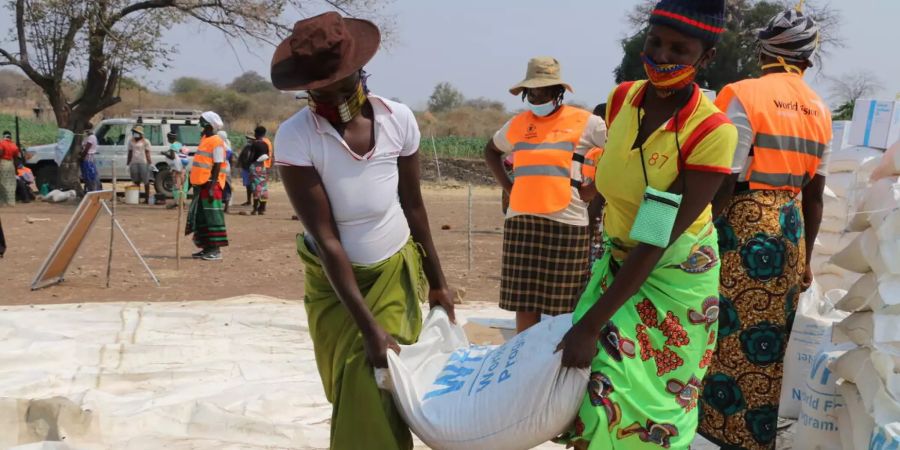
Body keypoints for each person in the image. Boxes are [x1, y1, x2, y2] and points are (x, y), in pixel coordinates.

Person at [553, 1, 737, 449]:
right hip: (619, 266)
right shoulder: (621, 99)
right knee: (588, 402)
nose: (661, 56)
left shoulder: (711, 130)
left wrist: (591, 324)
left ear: (705, 58)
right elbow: (614, 184)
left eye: (679, 48)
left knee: (638, 407)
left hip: (672, 281)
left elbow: (656, 233)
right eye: (654, 42)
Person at [271, 12, 456, 450]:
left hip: (393, 271)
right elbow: (327, 236)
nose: (331, 95)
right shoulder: (296, 137)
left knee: (382, 385)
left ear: (358, 71)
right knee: (357, 383)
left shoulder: (398, 120)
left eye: (339, 81)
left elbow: (413, 205)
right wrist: (368, 327)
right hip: (337, 285)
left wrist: (439, 282)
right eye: (318, 88)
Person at [699, 8, 832, 449]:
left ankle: (715, 432)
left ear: (763, 51)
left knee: (723, 331)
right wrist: (806, 261)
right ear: (807, 60)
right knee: (767, 344)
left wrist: (701, 232)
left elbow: (723, 172)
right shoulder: (820, 110)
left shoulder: (742, 93)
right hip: (789, 227)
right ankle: (756, 438)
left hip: (744, 223)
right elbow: (815, 196)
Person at [484, 56, 606, 333]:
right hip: (521, 222)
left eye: (545, 90)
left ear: (558, 92)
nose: (538, 96)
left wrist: (595, 188)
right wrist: (509, 187)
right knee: (525, 302)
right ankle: (524, 360)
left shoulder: (586, 122)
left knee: (566, 304)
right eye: (533, 91)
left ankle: (559, 367)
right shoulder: (517, 123)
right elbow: (490, 150)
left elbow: (619, 153)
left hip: (568, 222)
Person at [185, 111, 229, 261]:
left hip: (211, 184)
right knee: (201, 218)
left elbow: (217, 164)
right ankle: (206, 248)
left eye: (201, 121)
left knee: (212, 218)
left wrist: (212, 187)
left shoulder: (217, 142)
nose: (199, 124)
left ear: (208, 125)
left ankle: (215, 250)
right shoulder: (205, 139)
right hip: (201, 184)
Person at [246, 128, 271, 215]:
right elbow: (267, 155)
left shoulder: (254, 144)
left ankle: (255, 209)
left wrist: (248, 164)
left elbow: (251, 157)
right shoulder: (265, 144)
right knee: (263, 187)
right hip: (262, 167)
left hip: (254, 167)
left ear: (256, 134)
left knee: (255, 187)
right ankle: (262, 208)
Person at [127, 126, 153, 203]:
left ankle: (147, 198)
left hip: (143, 163)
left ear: (140, 133)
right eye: (134, 132)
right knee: (136, 181)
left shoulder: (146, 141)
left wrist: (150, 163)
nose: (135, 134)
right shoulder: (131, 141)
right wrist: (128, 164)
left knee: (146, 181)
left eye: (136, 132)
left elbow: (147, 153)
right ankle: (136, 198)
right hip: (134, 162)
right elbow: (130, 153)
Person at [163, 132, 186, 210]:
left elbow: (172, 157)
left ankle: (178, 203)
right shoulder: (179, 144)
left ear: (170, 138)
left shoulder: (173, 146)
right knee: (181, 185)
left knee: (176, 185)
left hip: (176, 168)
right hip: (182, 167)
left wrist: (165, 154)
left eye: (168, 138)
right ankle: (181, 202)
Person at [80, 123, 101, 192]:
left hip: (88, 159)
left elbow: (86, 149)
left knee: (90, 176)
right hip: (87, 159)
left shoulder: (91, 137)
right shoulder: (87, 137)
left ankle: (93, 190)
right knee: (86, 176)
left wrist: (81, 157)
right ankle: (89, 190)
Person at [0, 131, 19, 206]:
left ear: (3, 136)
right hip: (11, 165)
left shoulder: (1, 143)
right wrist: (16, 169)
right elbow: (16, 158)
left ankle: (3, 202)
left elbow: (0, 152)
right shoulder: (14, 145)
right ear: (10, 137)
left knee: (2, 183)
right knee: (11, 183)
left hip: (3, 164)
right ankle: (11, 202)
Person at [217, 130, 234, 213]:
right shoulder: (228, 146)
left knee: (218, 187)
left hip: (219, 169)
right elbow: (231, 159)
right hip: (227, 169)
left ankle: (218, 206)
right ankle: (226, 207)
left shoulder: (218, 145)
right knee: (227, 187)